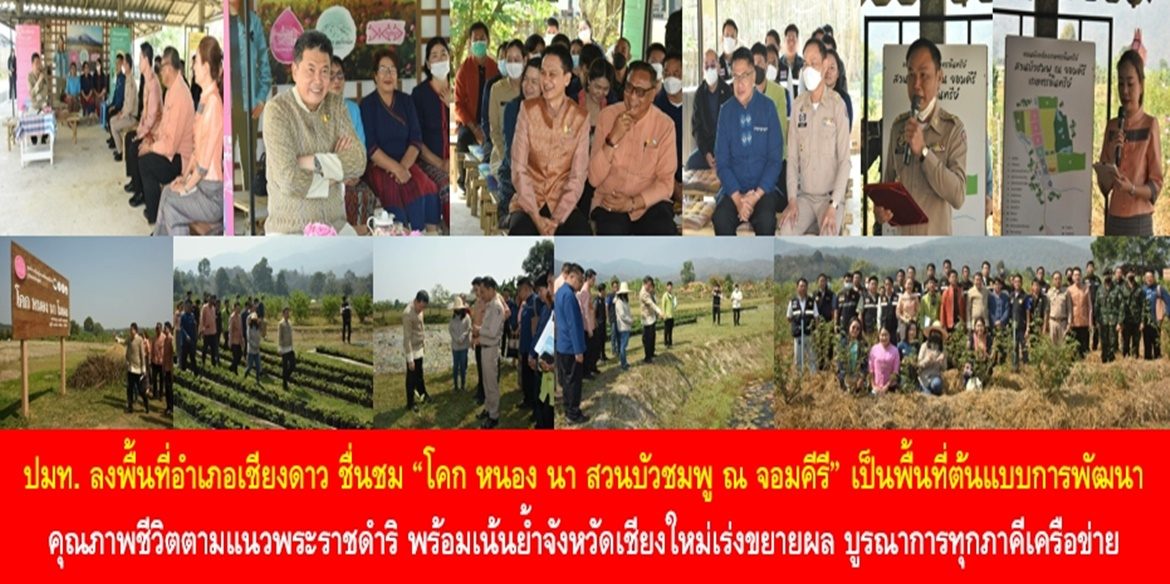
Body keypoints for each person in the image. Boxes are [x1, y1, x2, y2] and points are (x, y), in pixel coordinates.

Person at [263, 32, 366, 233]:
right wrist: (334, 174)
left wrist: (312, 161)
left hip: (335, 224)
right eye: (310, 70)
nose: (318, 80)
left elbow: (358, 161)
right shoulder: (277, 110)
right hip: (290, 230)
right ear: (294, 70)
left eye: (324, 71)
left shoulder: (336, 105)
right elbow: (288, 179)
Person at [877, 39, 967, 235]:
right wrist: (880, 210)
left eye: (924, 75)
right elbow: (888, 185)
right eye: (911, 75)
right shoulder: (898, 127)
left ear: (939, 78)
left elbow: (958, 195)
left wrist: (924, 153)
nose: (916, 84)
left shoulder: (952, 129)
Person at [508, 44, 591, 235]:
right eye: (543, 73)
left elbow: (578, 176)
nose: (546, 81)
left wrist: (556, 220)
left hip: (562, 202)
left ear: (567, 78)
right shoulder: (527, 110)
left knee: (581, 233)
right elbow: (518, 169)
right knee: (520, 233)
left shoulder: (580, 117)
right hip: (528, 201)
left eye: (552, 74)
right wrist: (537, 218)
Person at [588, 61, 678, 235]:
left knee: (663, 228)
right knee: (613, 231)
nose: (632, 97)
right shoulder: (607, 116)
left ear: (653, 94)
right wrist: (613, 138)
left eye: (640, 92)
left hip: (647, 204)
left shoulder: (665, 126)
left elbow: (666, 184)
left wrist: (632, 203)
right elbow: (593, 179)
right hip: (610, 200)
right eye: (629, 88)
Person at [360, 50, 440, 231]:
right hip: (380, 166)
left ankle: (428, 233)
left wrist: (403, 167)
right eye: (383, 69)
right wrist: (395, 169)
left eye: (392, 70)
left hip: (407, 161)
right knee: (393, 191)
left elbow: (416, 139)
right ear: (375, 76)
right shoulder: (367, 105)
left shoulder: (406, 101)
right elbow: (371, 147)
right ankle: (401, 234)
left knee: (426, 186)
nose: (388, 75)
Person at [154, 37, 225, 236]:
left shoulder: (213, 104)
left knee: (172, 205)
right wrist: (183, 178)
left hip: (211, 195)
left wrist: (186, 186)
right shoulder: (204, 98)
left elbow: (202, 165)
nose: (192, 65)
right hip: (201, 185)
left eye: (196, 61)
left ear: (206, 66)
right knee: (168, 191)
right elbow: (196, 150)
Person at [780, 39, 850, 236]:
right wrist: (792, 199)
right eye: (806, 64)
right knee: (784, 232)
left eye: (815, 63)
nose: (809, 69)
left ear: (826, 65)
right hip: (804, 198)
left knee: (827, 237)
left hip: (830, 200)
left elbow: (845, 161)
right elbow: (792, 159)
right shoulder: (797, 106)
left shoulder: (837, 105)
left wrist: (834, 205)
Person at [713, 48, 781, 235]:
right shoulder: (726, 112)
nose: (740, 83)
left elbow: (775, 160)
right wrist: (738, 200)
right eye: (735, 76)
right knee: (720, 219)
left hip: (762, 191)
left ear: (754, 76)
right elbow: (722, 163)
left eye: (744, 76)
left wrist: (755, 197)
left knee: (767, 221)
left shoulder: (768, 108)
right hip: (733, 191)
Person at [1098, 50, 1162, 235]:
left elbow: (1156, 185)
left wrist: (1132, 189)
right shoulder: (1112, 126)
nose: (1124, 91)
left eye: (1130, 83)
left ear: (1141, 85)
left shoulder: (1150, 125)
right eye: (1120, 83)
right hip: (1114, 218)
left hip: (1139, 220)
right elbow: (1104, 188)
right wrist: (1110, 154)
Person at [134, 47, 195, 226]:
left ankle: (154, 215)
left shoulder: (181, 96)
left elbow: (169, 147)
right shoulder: (171, 91)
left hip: (179, 159)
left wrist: (151, 147)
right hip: (169, 150)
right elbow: (163, 127)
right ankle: (151, 203)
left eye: (161, 68)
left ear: (168, 67)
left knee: (146, 162)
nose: (159, 72)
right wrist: (152, 137)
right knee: (142, 150)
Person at [229, 0, 273, 196]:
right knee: (224, 160)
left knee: (248, 161)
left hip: (248, 108)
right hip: (226, 109)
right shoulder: (221, 24)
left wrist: (261, 99)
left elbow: (265, 63)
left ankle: (249, 215)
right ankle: (226, 213)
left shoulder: (252, 22)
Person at [413, 37, 452, 227]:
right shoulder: (419, 94)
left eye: (443, 54)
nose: (440, 59)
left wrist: (451, 106)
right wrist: (440, 163)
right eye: (434, 56)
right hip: (430, 161)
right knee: (446, 187)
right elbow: (416, 140)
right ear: (428, 64)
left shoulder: (455, 91)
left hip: (455, 161)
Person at [455, 22, 498, 190]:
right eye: (475, 39)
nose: (479, 42)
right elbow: (458, 105)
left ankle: (489, 181)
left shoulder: (495, 68)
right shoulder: (463, 70)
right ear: (470, 43)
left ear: (488, 40)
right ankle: (463, 181)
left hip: (490, 122)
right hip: (469, 123)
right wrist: (474, 128)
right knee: (463, 138)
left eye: (482, 38)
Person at [687, 49, 733, 170]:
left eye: (713, 64)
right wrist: (706, 153)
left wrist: (722, 152)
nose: (709, 68)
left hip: (726, 149)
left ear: (718, 66)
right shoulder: (699, 94)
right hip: (706, 149)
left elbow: (733, 126)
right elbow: (696, 128)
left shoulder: (728, 91)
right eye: (706, 65)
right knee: (690, 163)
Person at [556, 264, 588, 423]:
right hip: (571, 347)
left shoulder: (560, 292)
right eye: (580, 280)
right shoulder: (569, 296)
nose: (581, 284)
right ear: (572, 277)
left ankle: (568, 409)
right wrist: (578, 351)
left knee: (567, 381)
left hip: (562, 346)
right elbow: (573, 325)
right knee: (574, 383)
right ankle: (573, 413)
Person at [477, 278, 505, 428]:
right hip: (485, 348)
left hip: (491, 349)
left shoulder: (496, 307)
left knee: (492, 384)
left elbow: (493, 332)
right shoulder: (490, 305)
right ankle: (488, 409)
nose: (481, 295)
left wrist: (478, 330)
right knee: (486, 383)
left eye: (482, 291)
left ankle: (494, 416)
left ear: (490, 289)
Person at [655, 51, 684, 192]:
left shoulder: (693, 105)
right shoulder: (655, 107)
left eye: (676, 74)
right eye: (667, 73)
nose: (671, 78)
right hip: (663, 180)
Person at [403, 290, 430, 411]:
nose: (422, 309)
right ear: (417, 301)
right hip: (412, 349)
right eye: (421, 306)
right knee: (411, 378)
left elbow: (421, 327)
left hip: (419, 347)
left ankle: (423, 394)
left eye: (424, 307)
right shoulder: (408, 313)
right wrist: (410, 359)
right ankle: (410, 402)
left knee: (420, 374)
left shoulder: (420, 309)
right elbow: (407, 338)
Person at [111, 56, 139, 162]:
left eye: (124, 63)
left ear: (128, 66)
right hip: (126, 114)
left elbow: (130, 106)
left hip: (131, 117)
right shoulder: (127, 79)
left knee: (114, 126)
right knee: (112, 120)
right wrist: (121, 112)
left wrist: (122, 114)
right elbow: (125, 103)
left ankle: (120, 152)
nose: (122, 65)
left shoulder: (131, 81)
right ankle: (120, 148)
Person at [788, 278, 819, 374]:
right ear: (797, 288)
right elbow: (789, 317)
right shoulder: (792, 302)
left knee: (812, 357)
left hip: (809, 334)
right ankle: (799, 379)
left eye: (805, 286)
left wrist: (815, 330)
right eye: (801, 286)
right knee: (798, 359)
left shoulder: (811, 302)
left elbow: (816, 317)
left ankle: (813, 378)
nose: (803, 288)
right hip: (798, 336)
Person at [1141, 270, 1170, 359]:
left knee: (1156, 342)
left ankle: (1157, 357)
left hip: (1156, 320)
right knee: (1147, 342)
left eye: (1151, 277)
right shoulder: (1142, 290)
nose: (1149, 279)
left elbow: (1168, 301)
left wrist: (1167, 315)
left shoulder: (1159, 289)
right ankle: (1148, 359)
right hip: (1145, 321)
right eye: (1147, 277)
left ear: (1153, 278)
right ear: (1144, 279)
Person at [1068, 267, 1093, 358]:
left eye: (1079, 275)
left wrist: (1090, 323)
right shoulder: (1069, 290)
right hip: (1073, 323)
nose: (1077, 277)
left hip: (1084, 322)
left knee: (1084, 348)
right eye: (1075, 275)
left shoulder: (1086, 289)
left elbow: (1090, 307)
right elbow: (1068, 307)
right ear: (1072, 277)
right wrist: (1069, 322)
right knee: (1074, 348)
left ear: (1081, 276)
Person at [124, 323, 150, 413]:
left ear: (135, 330)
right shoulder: (129, 339)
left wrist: (143, 368)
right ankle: (130, 407)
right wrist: (116, 338)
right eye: (130, 330)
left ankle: (146, 405)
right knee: (129, 389)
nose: (130, 331)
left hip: (138, 369)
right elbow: (123, 342)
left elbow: (142, 355)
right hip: (130, 368)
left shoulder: (139, 340)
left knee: (141, 390)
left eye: (131, 330)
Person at [576, 270, 597, 378]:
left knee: (592, 349)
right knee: (588, 351)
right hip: (587, 326)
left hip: (591, 324)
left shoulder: (587, 290)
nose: (594, 282)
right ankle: (586, 372)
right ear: (588, 279)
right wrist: (589, 329)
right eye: (593, 279)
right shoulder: (584, 292)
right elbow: (584, 312)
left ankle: (591, 369)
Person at [824, 49, 852, 130]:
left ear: (838, 73)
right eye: (825, 67)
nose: (828, 71)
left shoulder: (844, 99)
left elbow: (846, 129)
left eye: (832, 68)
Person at [449, 297, 472, 393]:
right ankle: (455, 387)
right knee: (455, 367)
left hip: (463, 346)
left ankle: (463, 386)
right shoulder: (452, 319)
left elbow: (468, 328)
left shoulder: (467, 317)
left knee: (463, 366)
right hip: (455, 346)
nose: (457, 310)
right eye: (456, 308)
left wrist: (463, 337)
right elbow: (450, 330)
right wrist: (455, 338)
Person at [838, 319, 867, 393]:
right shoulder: (843, 343)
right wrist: (845, 377)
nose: (855, 330)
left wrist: (861, 377)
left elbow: (865, 364)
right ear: (849, 327)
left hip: (858, 377)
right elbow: (840, 363)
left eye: (858, 329)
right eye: (853, 327)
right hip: (845, 375)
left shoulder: (862, 344)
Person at [869, 327, 901, 394]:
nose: (884, 337)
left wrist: (886, 386)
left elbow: (895, 371)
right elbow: (871, 369)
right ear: (879, 335)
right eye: (882, 335)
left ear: (889, 336)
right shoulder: (874, 349)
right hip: (875, 387)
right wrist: (873, 386)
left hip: (890, 387)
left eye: (886, 335)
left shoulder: (895, 350)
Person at [918, 325, 946, 396]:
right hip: (924, 379)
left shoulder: (942, 350)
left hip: (935, 378)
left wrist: (941, 362)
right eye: (934, 333)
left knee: (937, 384)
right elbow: (918, 365)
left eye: (937, 334)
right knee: (927, 397)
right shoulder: (924, 346)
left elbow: (944, 368)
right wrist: (927, 360)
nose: (935, 336)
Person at [1098, 276, 1120, 364]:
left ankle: (1111, 359)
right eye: (1105, 275)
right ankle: (1104, 358)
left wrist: (1120, 321)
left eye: (1109, 275)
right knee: (1103, 340)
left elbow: (1121, 305)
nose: (1107, 277)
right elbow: (1097, 305)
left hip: (1113, 321)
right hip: (1102, 321)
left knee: (1112, 341)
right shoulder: (1100, 290)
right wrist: (1097, 319)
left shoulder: (1116, 289)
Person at [1046, 271, 1072, 344]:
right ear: (1053, 280)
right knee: (1052, 346)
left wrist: (1069, 323)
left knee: (1062, 346)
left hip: (1062, 323)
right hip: (1052, 322)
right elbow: (1047, 310)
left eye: (1059, 279)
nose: (1057, 281)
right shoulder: (1049, 292)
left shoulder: (1066, 292)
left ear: (1061, 280)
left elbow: (1069, 309)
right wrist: (1047, 324)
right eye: (1055, 279)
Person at [614, 282, 634, 370]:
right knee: (623, 346)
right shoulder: (619, 302)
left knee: (624, 346)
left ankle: (624, 362)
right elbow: (622, 315)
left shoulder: (623, 301)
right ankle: (623, 364)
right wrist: (630, 320)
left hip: (626, 326)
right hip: (623, 326)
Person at [278, 307, 296, 390]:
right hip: (284, 348)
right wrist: (280, 348)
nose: (288, 314)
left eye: (288, 313)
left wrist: (292, 346)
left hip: (290, 347)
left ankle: (286, 377)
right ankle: (284, 385)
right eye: (286, 313)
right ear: (283, 314)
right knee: (284, 367)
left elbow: (291, 336)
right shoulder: (281, 324)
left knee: (293, 365)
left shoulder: (290, 322)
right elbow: (280, 336)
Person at [199, 293, 219, 368]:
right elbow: (201, 319)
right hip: (206, 332)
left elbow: (214, 319)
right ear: (208, 299)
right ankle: (203, 362)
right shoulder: (204, 307)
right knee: (205, 349)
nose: (212, 300)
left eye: (213, 299)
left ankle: (213, 363)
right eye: (211, 299)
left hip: (213, 332)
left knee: (213, 349)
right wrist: (201, 330)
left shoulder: (213, 308)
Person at [243, 314, 262, 385]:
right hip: (251, 350)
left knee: (258, 366)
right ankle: (245, 374)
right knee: (250, 366)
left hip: (257, 350)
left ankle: (257, 380)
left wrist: (258, 344)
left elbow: (259, 337)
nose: (255, 321)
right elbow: (248, 339)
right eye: (253, 320)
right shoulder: (249, 328)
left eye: (255, 320)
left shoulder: (258, 328)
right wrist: (254, 345)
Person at [661, 281, 678, 347]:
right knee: (666, 330)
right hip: (666, 316)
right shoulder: (665, 296)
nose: (670, 288)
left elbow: (674, 304)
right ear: (667, 287)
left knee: (671, 330)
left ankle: (670, 342)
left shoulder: (672, 295)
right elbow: (663, 306)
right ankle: (666, 343)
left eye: (671, 287)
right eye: (669, 287)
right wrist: (663, 315)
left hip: (671, 315)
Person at [228, 301, 243, 374]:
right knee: (236, 356)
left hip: (238, 340)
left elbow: (240, 329)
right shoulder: (232, 317)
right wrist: (230, 341)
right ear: (234, 308)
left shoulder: (239, 317)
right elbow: (230, 330)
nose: (238, 309)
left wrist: (242, 340)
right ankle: (234, 370)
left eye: (239, 308)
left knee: (239, 356)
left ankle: (232, 367)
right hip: (234, 340)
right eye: (237, 308)